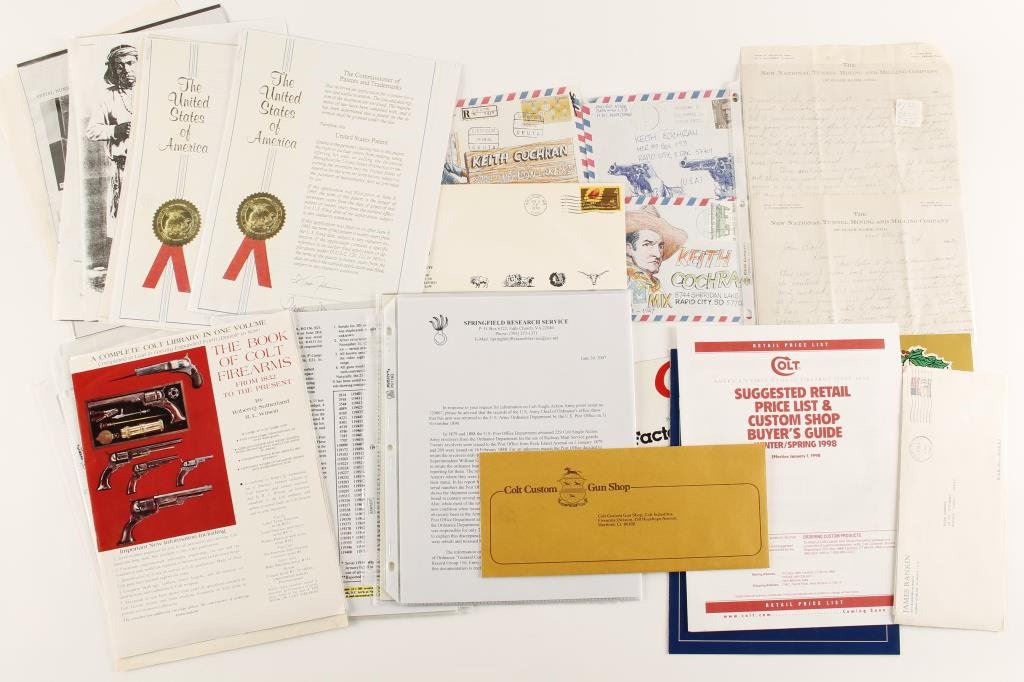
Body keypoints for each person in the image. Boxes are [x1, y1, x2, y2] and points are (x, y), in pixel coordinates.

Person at [85, 45, 137, 226]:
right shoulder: (108, 96)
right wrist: (116, 130)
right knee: (128, 220)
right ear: (113, 69)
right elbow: (92, 131)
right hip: (125, 168)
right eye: (120, 66)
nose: (126, 69)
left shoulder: (151, 91)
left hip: (153, 166)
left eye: (130, 63)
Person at [626, 228, 665, 302]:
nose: (658, 254)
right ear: (629, 249)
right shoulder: (627, 281)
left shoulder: (656, 283)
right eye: (647, 244)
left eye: (660, 246)